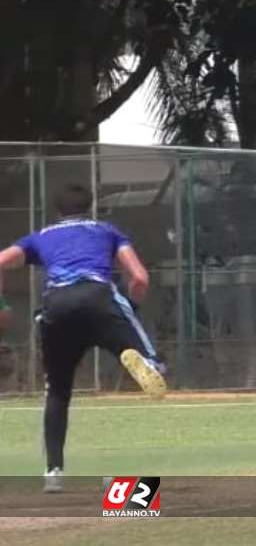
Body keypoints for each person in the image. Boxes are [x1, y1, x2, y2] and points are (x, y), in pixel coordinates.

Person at [0, 184, 167, 493]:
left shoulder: (41, 236)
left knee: (58, 392)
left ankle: (53, 472)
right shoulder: (106, 231)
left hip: (58, 307)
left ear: (58, 211)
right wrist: (133, 306)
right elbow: (140, 277)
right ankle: (149, 363)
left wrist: (1, 306)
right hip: (98, 298)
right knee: (125, 323)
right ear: (89, 207)